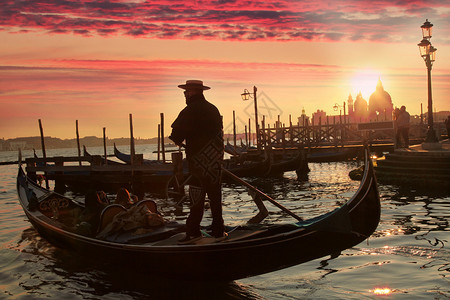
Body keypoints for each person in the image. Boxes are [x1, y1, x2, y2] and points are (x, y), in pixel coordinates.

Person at [169, 80, 225, 244]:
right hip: (215, 163)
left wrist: (179, 140)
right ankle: (218, 231)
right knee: (215, 197)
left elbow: (176, 135)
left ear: (192, 92)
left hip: (198, 163)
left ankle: (193, 232)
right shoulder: (213, 109)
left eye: (186, 92)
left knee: (196, 197)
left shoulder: (189, 110)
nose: (184, 95)